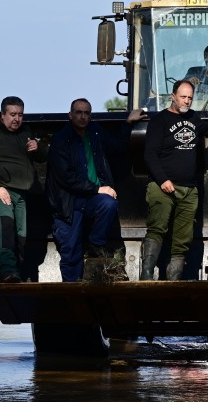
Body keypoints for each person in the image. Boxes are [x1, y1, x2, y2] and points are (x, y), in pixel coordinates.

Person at [142, 80, 208, 280]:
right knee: (157, 228)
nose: (187, 101)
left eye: (190, 97)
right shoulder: (159, 121)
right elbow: (150, 155)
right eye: (183, 97)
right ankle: (146, 274)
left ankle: (174, 280)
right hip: (162, 187)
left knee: (182, 237)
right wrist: (163, 180)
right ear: (172, 96)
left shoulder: (194, 118)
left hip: (189, 190)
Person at [45, 98, 143, 282]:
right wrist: (98, 189)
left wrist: (128, 123)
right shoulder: (61, 140)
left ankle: (96, 244)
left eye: (87, 113)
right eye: (79, 112)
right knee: (71, 253)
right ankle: (72, 293)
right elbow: (67, 179)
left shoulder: (95, 132)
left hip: (91, 198)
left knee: (109, 203)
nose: (83, 117)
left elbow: (118, 146)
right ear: (70, 115)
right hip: (68, 202)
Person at [0, 96, 47, 283]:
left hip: (22, 190)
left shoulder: (26, 131)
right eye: (12, 115)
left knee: (21, 233)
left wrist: (38, 148)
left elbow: (42, 158)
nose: (17, 119)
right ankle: (7, 271)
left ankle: (16, 273)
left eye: (20, 115)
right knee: (6, 224)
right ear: (2, 114)